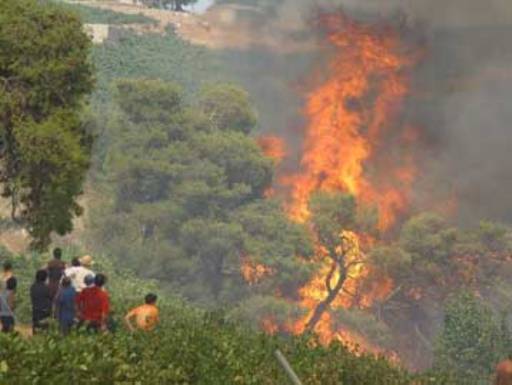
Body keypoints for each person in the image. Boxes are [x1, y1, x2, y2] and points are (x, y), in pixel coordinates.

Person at [30, 269, 52, 334]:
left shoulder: (33, 286)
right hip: (44, 311)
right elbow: (50, 297)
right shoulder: (46, 287)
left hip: (35, 310)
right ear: (45, 278)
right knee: (44, 330)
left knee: (36, 328)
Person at [0, 261, 17, 333]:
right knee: (10, 326)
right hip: (8, 304)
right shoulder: (12, 278)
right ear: (10, 268)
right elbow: (12, 293)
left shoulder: (1, 277)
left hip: (2, 302)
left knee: (4, 324)